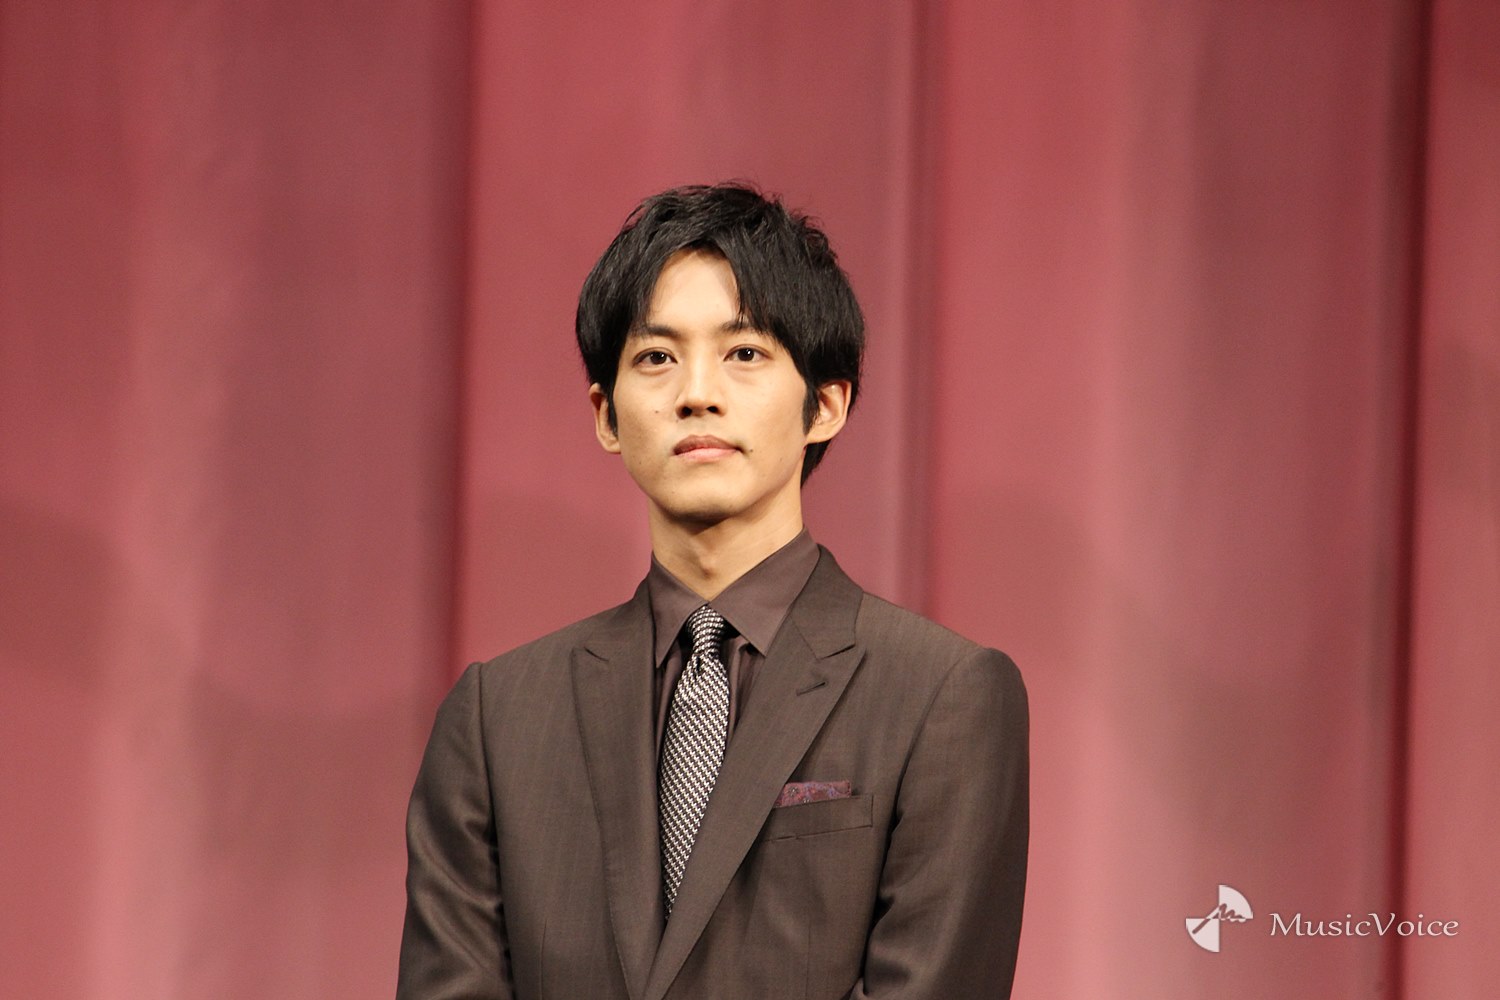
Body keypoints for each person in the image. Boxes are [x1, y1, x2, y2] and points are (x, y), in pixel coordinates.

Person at [397, 183, 1028, 1000]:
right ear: (606, 416)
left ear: (826, 404)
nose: (696, 391)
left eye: (745, 353)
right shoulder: (498, 716)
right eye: (656, 358)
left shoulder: (943, 695)